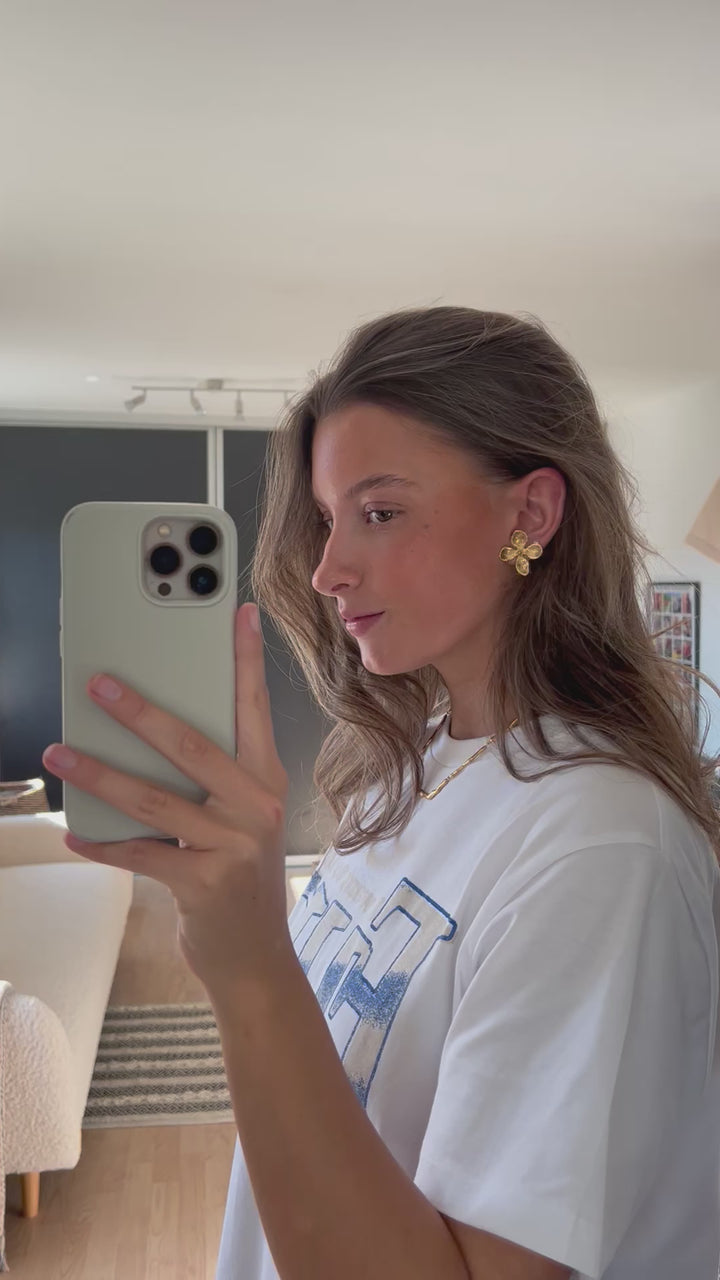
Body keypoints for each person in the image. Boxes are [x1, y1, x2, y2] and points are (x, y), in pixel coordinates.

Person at [215, 306, 720, 1279]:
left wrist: (246, 965)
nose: (327, 569)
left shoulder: (600, 846)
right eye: (328, 518)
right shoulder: (404, 768)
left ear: (529, 515)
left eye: (380, 511)